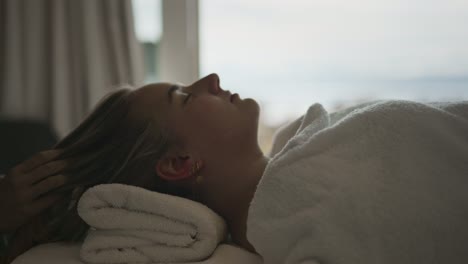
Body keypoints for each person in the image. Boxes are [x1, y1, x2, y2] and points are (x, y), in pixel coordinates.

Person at [2, 73, 468, 264]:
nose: (210, 79)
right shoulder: (293, 205)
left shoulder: (304, 150)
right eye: (184, 97)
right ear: (180, 164)